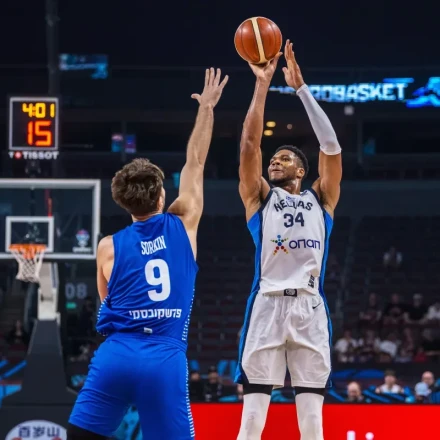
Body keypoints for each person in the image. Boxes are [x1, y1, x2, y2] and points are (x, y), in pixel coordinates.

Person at [67, 68, 228, 440]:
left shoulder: (107, 247)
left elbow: (108, 301)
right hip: (164, 358)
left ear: (123, 203)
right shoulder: (184, 222)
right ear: (162, 196)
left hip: (117, 355)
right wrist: (206, 108)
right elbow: (195, 161)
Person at [236, 40, 342, 440]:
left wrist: (301, 90)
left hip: (309, 308)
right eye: (273, 159)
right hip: (267, 305)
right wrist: (262, 85)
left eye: (284, 158)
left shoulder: (322, 197)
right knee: (251, 422)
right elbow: (249, 146)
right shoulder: (260, 199)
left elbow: (331, 146)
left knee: (312, 425)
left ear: (301, 170)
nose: (274, 161)